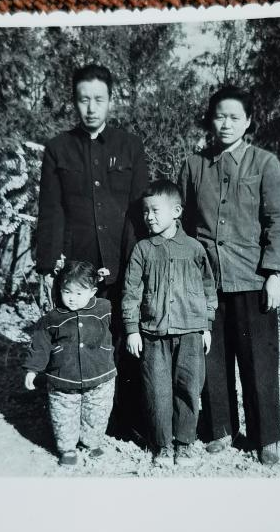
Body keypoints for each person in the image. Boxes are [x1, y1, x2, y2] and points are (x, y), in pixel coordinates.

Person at [35, 63, 149, 440]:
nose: (91, 108)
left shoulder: (130, 146)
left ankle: (122, 420)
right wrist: (47, 265)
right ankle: (73, 420)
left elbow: (140, 210)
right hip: (76, 268)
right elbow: (51, 210)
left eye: (99, 99)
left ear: (111, 101)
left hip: (123, 260)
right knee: (77, 341)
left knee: (122, 335)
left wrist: (140, 262)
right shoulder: (58, 149)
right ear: (74, 102)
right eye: (83, 100)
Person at [179, 86, 280, 465]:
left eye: (234, 117)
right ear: (210, 120)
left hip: (252, 278)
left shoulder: (265, 163)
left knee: (258, 361)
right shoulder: (194, 166)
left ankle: (265, 437)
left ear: (247, 122)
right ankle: (220, 429)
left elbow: (278, 222)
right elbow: (184, 223)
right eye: (219, 116)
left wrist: (274, 274)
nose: (226, 124)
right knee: (212, 357)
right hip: (205, 280)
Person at [122, 180, 217, 467]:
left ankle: (184, 443)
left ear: (176, 211)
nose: (148, 217)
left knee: (189, 386)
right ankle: (161, 444)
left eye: (155, 210)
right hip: (154, 333)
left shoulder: (195, 249)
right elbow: (131, 292)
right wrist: (132, 329)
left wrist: (206, 325)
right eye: (145, 211)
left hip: (191, 331)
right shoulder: (142, 250)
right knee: (157, 389)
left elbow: (208, 289)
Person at [23, 261, 116, 466]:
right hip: (63, 378)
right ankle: (67, 448)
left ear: (92, 292)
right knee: (63, 414)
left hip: (100, 374)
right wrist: (32, 369)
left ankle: (92, 442)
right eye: (67, 292)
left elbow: (122, 321)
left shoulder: (104, 309)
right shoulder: (52, 318)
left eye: (79, 293)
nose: (72, 298)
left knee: (97, 412)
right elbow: (40, 345)